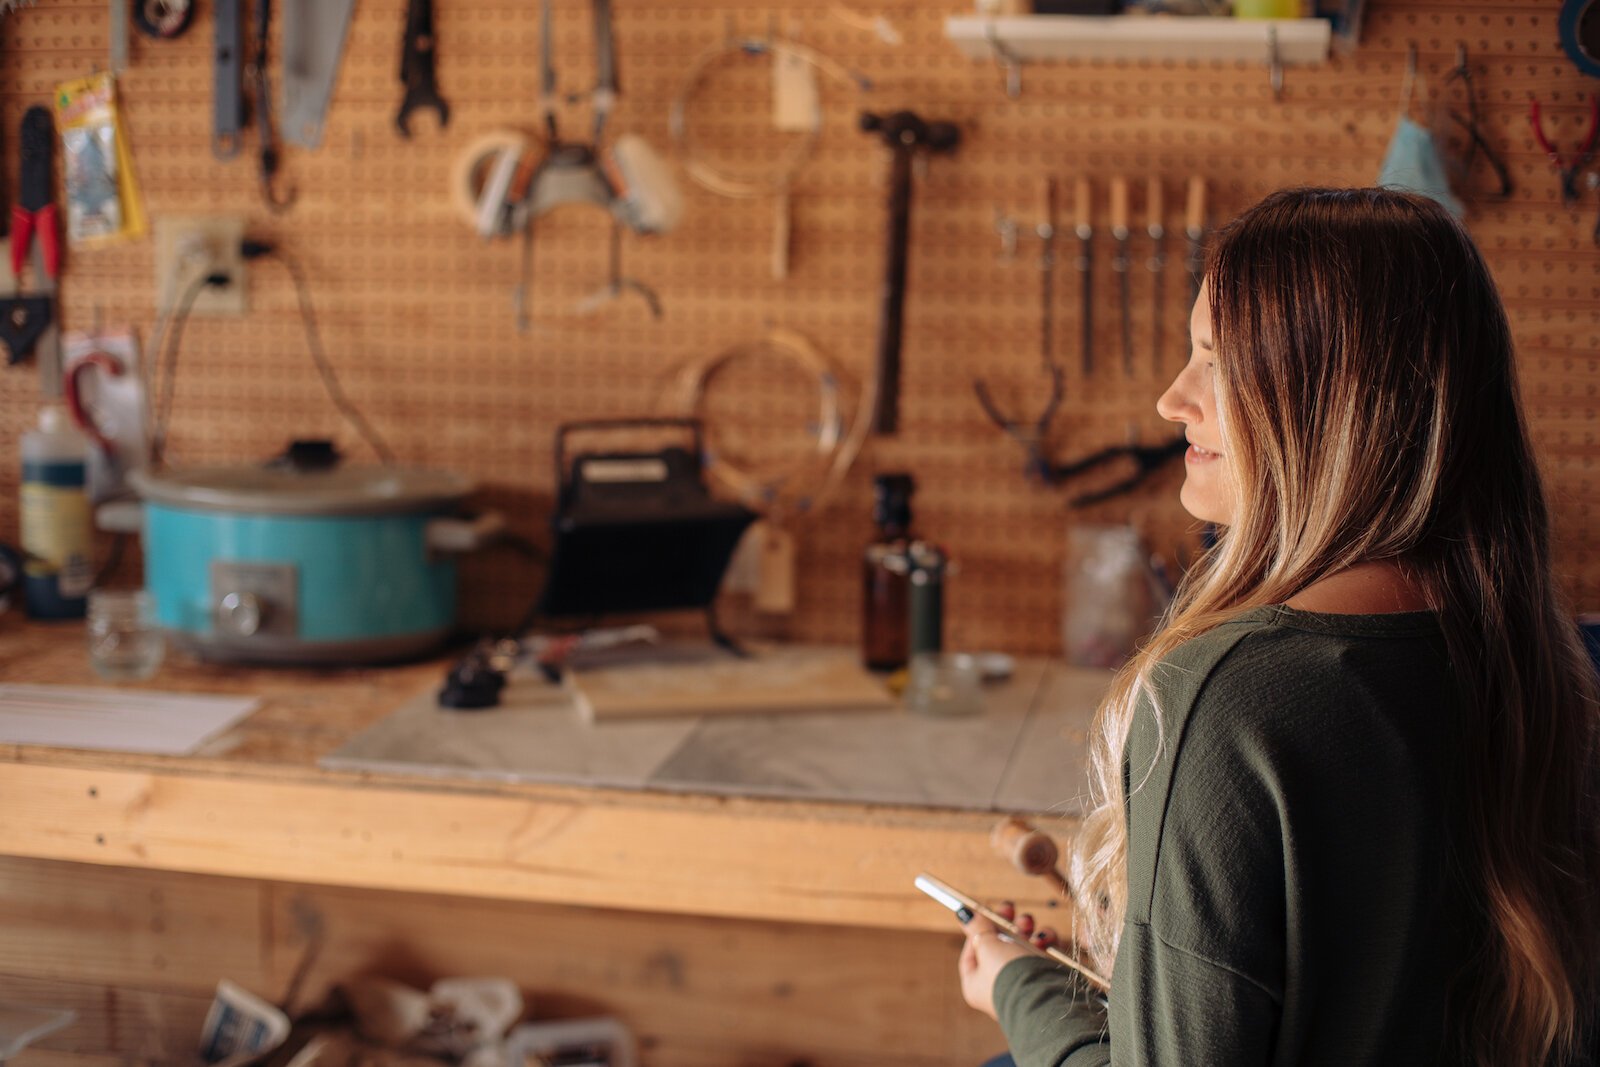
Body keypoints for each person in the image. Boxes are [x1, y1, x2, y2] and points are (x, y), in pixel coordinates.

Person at [953, 187, 1600, 1067]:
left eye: (1216, 361)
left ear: (1331, 400)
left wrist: (1023, 991)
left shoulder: (1224, 699)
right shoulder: (1541, 661)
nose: (1171, 399)